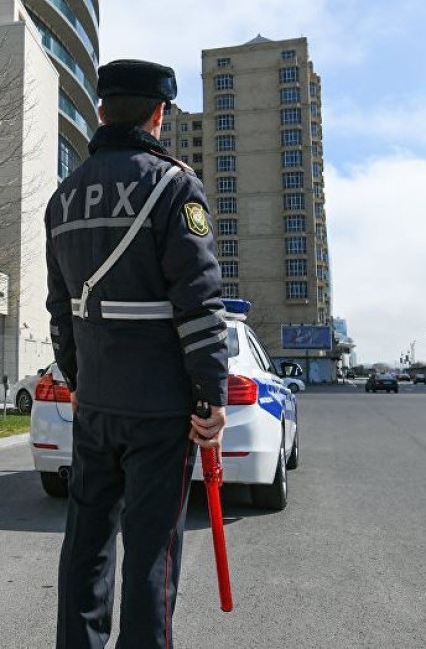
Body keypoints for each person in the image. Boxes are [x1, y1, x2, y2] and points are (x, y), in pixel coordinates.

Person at [45, 59, 228, 648]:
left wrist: (80, 379)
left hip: (96, 403)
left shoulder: (63, 197)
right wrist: (209, 397)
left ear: (101, 110)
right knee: (150, 554)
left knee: (85, 548)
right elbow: (199, 307)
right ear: (160, 113)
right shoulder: (175, 186)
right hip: (160, 410)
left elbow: (60, 311)